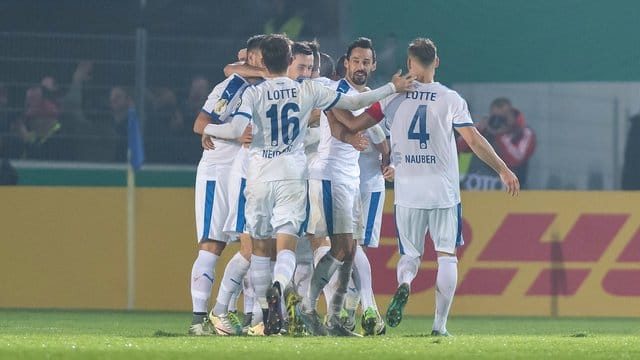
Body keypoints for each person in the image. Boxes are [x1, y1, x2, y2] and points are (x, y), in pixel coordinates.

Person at [202, 33, 414, 336]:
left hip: (259, 174)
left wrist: (208, 129)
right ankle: (282, 287)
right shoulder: (310, 91)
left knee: (261, 249)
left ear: (265, 63)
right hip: (293, 174)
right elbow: (355, 101)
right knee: (287, 246)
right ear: (289, 61)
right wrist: (392, 87)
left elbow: (236, 129)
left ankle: (264, 318)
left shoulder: (255, 93)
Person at [328, 38, 519, 336]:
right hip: (443, 191)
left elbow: (353, 124)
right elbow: (474, 141)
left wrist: (328, 104)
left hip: (407, 191)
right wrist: (503, 169)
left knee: (410, 256)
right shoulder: (450, 98)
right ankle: (439, 326)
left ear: (409, 63)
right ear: (437, 62)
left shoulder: (394, 97)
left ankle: (405, 284)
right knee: (447, 255)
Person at [304, 37, 386, 337]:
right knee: (337, 248)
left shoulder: (367, 96)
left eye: (366, 62)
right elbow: (346, 124)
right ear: (346, 63)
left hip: (350, 178)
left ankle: (335, 318)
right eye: (356, 61)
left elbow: (368, 126)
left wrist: (386, 154)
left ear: (372, 65)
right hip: (329, 175)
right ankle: (309, 307)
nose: (361, 66)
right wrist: (352, 136)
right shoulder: (336, 89)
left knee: (349, 251)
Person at [187, 35, 264, 337]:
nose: (261, 61)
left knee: (251, 245)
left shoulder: (262, 86)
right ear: (250, 58)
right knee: (213, 245)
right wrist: (228, 134)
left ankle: (242, 316)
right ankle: (199, 320)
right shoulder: (233, 85)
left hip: (246, 170)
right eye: (257, 57)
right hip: (218, 171)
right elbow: (199, 123)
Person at [457, 97, 535, 190]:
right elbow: (457, 148)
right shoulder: (481, 130)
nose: (498, 121)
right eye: (495, 117)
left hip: (511, 193)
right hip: (474, 190)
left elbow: (515, 160)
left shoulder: (522, 133)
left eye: (503, 118)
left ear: (511, 116)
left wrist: (501, 135)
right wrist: (477, 130)